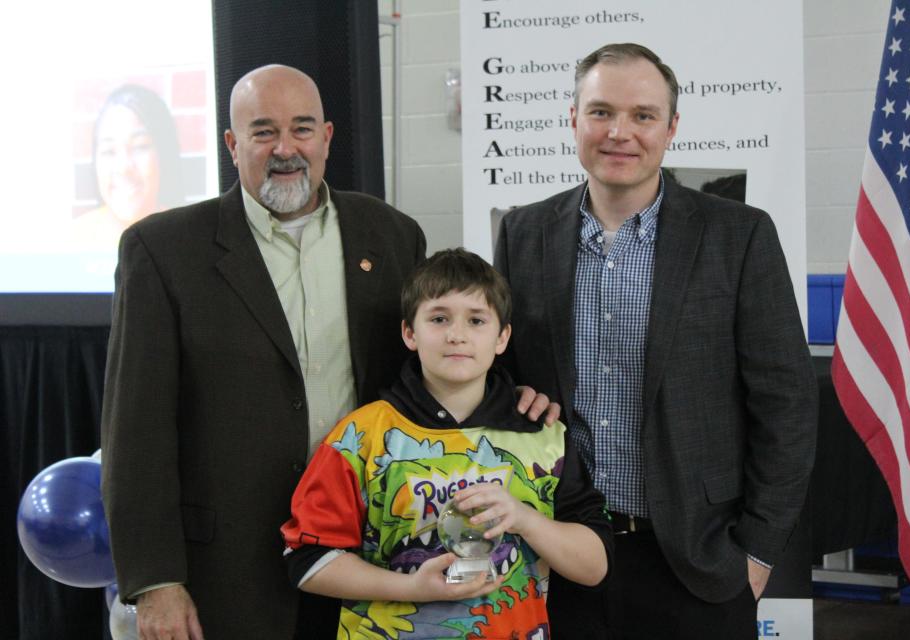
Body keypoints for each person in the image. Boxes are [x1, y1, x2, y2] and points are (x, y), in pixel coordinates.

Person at [101, 64, 556, 640]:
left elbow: (429, 362)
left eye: (303, 128)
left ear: (328, 138)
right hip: (225, 567)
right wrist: (155, 580)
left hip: (372, 561)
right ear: (232, 143)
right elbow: (135, 428)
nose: (285, 148)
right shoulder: (163, 249)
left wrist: (508, 396)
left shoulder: (391, 234)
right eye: (263, 131)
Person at [495, 43, 818, 639]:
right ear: (573, 120)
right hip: (565, 554)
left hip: (701, 560)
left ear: (671, 128)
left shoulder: (737, 234)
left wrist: (758, 552)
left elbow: (787, 402)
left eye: (643, 115)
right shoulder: (524, 232)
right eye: (600, 112)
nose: (620, 132)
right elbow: (505, 377)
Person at [281, 248, 612, 638]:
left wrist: (524, 519)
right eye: (439, 319)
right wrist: (411, 588)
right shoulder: (359, 437)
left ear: (502, 336)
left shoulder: (544, 435)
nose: (457, 335)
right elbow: (306, 560)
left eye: (476, 320)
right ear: (410, 332)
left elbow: (594, 567)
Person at [73, 84, 185, 250]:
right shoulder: (74, 239)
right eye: (109, 151)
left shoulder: (186, 236)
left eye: (139, 146)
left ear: (164, 154)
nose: (124, 167)